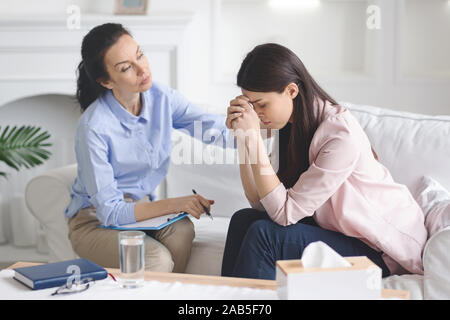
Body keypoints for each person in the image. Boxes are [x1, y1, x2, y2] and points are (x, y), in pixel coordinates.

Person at [222, 43, 427, 280]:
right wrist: (244, 138)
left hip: (381, 250)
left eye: (262, 104)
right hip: (343, 233)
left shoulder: (340, 136)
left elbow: (283, 214)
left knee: (264, 235)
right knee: (243, 220)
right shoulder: (291, 126)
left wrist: (255, 140)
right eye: (250, 105)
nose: (256, 114)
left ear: (291, 91)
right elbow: (260, 203)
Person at [65, 23, 230, 273]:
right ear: (107, 81)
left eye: (140, 55)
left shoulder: (161, 98)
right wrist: (178, 203)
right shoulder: (94, 127)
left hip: (139, 213)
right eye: (126, 67)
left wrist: (263, 132)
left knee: (182, 229)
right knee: (156, 258)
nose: (143, 69)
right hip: (94, 222)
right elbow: (110, 212)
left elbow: (213, 129)